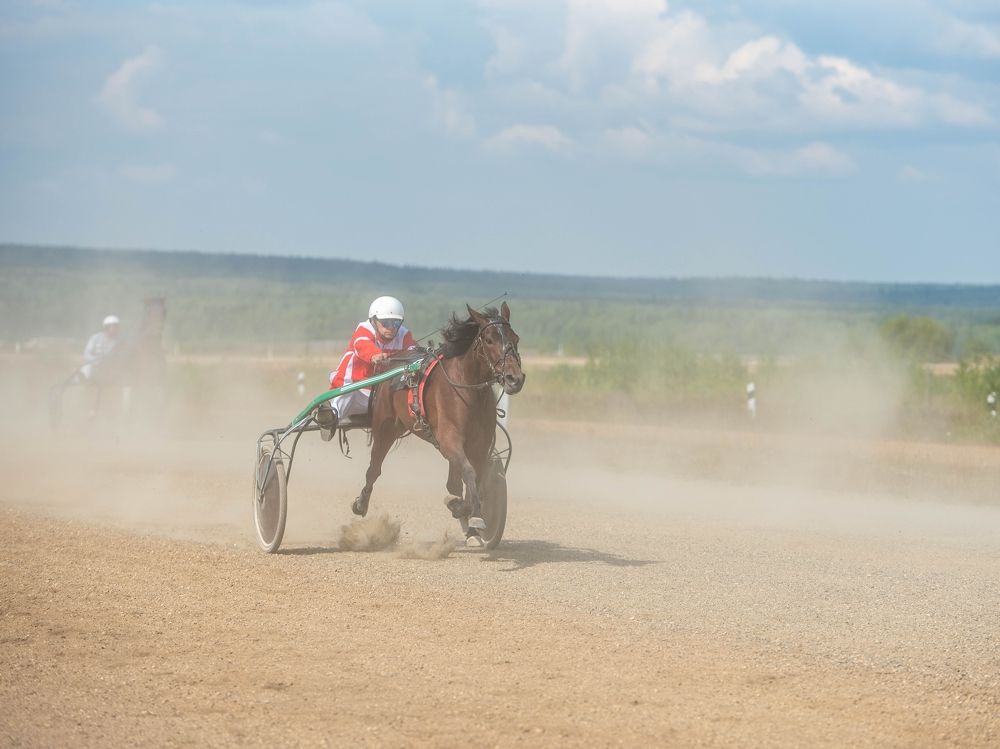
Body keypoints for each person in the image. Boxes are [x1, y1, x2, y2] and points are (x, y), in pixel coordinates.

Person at [317, 296, 415, 439]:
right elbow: (361, 344)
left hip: (381, 397)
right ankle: (331, 417)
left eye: (396, 323)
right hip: (356, 389)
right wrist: (374, 355)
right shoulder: (364, 329)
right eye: (385, 322)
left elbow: (413, 349)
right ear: (374, 320)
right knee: (349, 393)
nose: (391, 327)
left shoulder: (404, 334)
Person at [79, 315, 120, 382]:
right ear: (106, 327)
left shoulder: (118, 341)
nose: (115, 329)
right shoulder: (95, 338)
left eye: (116, 326)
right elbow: (87, 353)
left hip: (110, 367)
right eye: (113, 327)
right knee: (86, 370)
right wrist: (96, 362)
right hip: (94, 365)